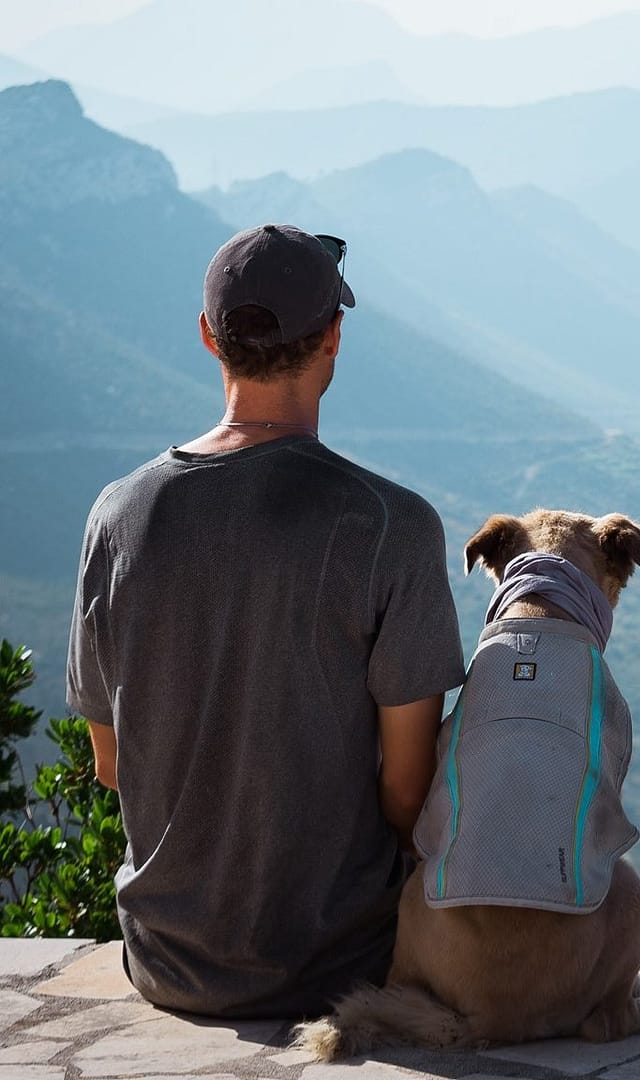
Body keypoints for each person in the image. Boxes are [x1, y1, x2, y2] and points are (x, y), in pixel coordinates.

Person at [65, 224, 468, 1018]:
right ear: (334, 337)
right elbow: (408, 787)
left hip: (165, 963)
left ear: (209, 337)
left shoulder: (118, 516)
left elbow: (112, 765)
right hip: (340, 964)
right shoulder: (392, 524)